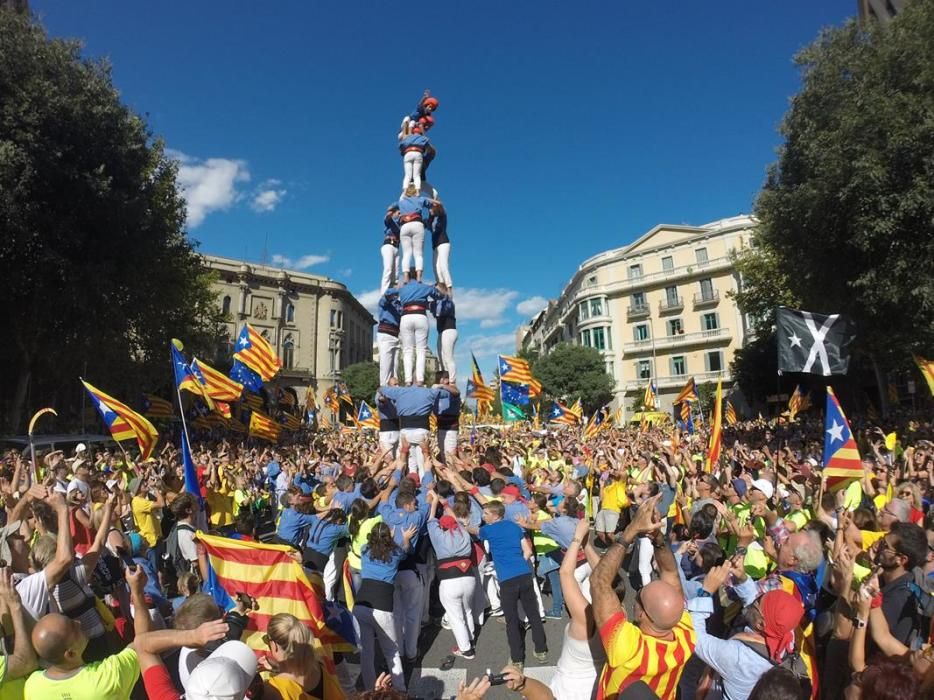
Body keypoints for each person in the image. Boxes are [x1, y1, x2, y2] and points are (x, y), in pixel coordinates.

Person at [590, 495, 696, 700]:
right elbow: (671, 575)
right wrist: (658, 540)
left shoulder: (628, 647)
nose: (635, 599)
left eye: (639, 597)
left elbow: (599, 583)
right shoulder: (686, 633)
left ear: (642, 614)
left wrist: (630, 531)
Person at [478, 500, 548, 669]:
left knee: (511, 620)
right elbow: (528, 551)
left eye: (486, 513)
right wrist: (518, 563)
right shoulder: (515, 527)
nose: (483, 516)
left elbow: (476, 533)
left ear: (495, 515)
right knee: (533, 613)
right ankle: (541, 650)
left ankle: (517, 658)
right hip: (524, 574)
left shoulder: (486, 530)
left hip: (507, 580)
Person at [353, 521, 417, 691]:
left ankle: (370, 690)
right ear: (388, 537)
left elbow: (375, 546)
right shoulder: (395, 553)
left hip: (361, 604)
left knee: (366, 653)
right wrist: (404, 538)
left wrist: (386, 534)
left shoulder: (365, 550)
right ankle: (400, 688)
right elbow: (406, 551)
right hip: (383, 605)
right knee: (392, 652)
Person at [548, 518, 606, 700]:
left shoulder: (585, 619)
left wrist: (577, 538)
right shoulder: (618, 614)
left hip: (569, 690)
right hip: (597, 685)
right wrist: (586, 544)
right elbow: (604, 576)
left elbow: (566, 574)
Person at [426, 491, 478, 660]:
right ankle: (470, 637)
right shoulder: (463, 531)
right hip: (468, 576)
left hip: (449, 579)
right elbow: (454, 519)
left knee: (455, 617)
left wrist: (434, 502)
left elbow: (431, 519)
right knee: (468, 610)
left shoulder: (439, 535)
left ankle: (466, 649)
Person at [260, 613, 325, 699]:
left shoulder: (272, 689)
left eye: (266, 639)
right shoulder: (318, 664)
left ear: (274, 645)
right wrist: (277, 668)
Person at [395, 273, 444, 384]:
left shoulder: (402, 288)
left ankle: (408, 380)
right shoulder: (424, 287)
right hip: (420, 315)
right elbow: (439, 296)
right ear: (418, 276)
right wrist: (433, 288)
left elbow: (391, 294)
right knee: (421, 350)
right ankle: (420, 379)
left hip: (406, 316)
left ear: (407, 276)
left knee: (407, 350)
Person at [396, 187, 438, 282]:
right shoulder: (420, 199)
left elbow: (391, 208)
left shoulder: (401, 202)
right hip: (417, 224)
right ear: (416, 192)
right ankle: (419, 277)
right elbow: (433, 205)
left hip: (404, 226)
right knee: (418, 254)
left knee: (406, 254)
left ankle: (406, 277)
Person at [433, 371, 461, 458]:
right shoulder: (438, 391)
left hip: (451, 427)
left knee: (450, 456)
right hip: (440, 426)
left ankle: (452, 471)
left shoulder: (452, 389)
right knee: (443, 454)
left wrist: (442, 386)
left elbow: (457, 392)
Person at [376, 290, 402, 385]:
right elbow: (387, 295)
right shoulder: (385, 301)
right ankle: (384, 390)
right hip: (385, 334)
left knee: (395, 368)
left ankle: (395, 389)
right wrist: (399, 289)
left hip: (396, 336)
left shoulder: (400, 304)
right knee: (385, 366)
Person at [431, 290, 457, 382]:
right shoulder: (437, 302)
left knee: (448, 357)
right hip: (441, 332)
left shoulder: (448, 302)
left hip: (449, 330)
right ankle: (445, 377)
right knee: (440, 357)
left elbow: (441, 311)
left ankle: (452, 380)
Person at [428, 203, 453, 293]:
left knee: (443, 265)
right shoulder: (431, 221)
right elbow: (425, 223)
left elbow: (440, 205)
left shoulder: (442, 216)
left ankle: (449, 287)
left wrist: (431, 200)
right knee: (436, 267)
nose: (430, 210)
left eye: (431, 208)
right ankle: (441, 286)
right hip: (435, 246)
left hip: (443, 243)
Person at [398, 130, 430, 194]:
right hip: (418, 153)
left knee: (407, 175)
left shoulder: (407, 138)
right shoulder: (422, 138)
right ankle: (417, 192)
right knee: (417, 175)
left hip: (408, 153)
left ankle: (404, 191)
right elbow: (427, 148)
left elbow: (400, 147)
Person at [380, 204, 401, 294]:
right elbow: (387, 218)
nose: (400, 215)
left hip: (396, 247)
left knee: (395, 274)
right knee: (388, 269)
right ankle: (384, 293)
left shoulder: (401, 224)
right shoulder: (390, 221)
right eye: (398, 213)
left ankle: (393, 294)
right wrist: (391, 210)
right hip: (389, 245)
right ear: (394, 213)